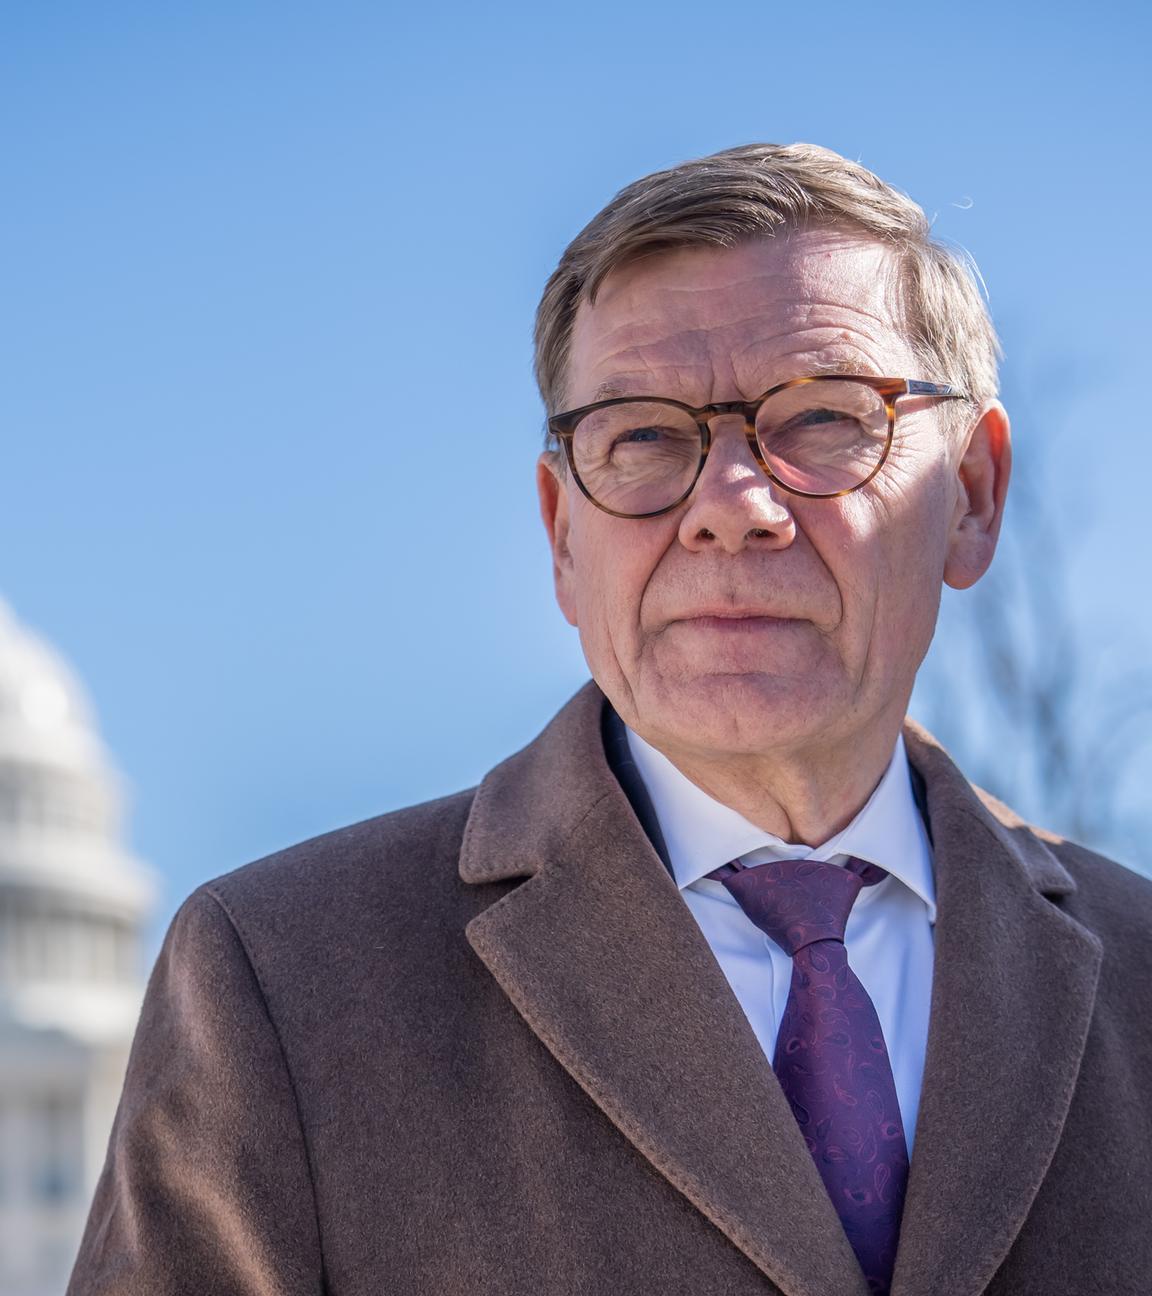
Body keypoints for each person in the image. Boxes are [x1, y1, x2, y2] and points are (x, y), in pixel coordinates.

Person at [67, 143, 1152, 1296]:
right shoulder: (281, 982)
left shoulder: (1141, 974)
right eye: (641, 437)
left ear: (973, 496)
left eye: (826, 420)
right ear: (563, 534)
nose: (732, 509)